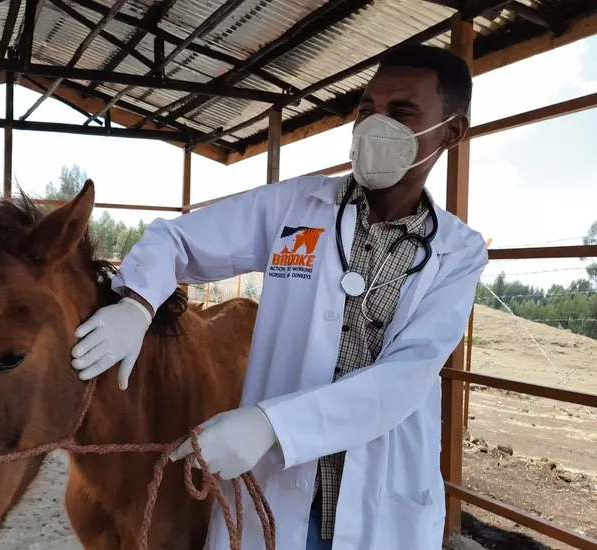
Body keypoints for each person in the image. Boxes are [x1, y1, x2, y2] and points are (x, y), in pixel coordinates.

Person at [70, 44, 488, 550]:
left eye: (401, 113)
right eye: (366, 111)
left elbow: (404, 379)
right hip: (275, 491)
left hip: (377, 504)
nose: (376, 127)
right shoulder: (295, 207)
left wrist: (271, 424)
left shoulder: (459, 253)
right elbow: (177, 239)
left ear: (451, 131)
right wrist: (137, 303)